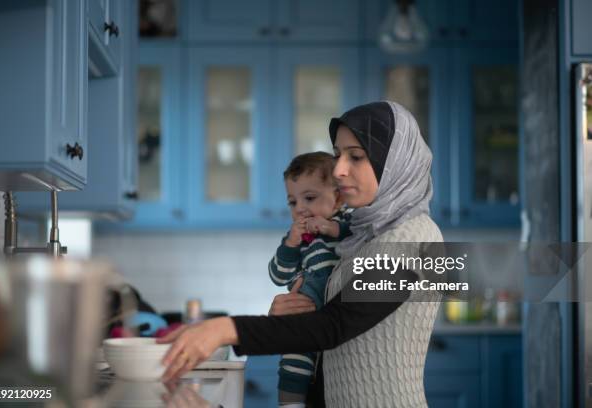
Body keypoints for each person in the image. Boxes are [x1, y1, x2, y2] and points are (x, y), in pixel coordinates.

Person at [158, 101, 444, 407]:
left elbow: (336, 326)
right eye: (337, 155)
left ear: (396, 162)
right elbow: (334, 339)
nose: (338, 170)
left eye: (356, 157)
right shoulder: (362, 234)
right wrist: (293, 310)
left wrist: (227, 329)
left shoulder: (418, 237)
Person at [270, 152, 351, 407]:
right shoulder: (295, 239)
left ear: (337, 199)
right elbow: (277, 275)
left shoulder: (345, 223)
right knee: (293, 359)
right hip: (305, 308)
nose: (300, 209)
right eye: (292, 202)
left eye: (310, 198)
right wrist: (291, 243)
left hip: (330, 312)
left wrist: (331, 228)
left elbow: (359, 231)